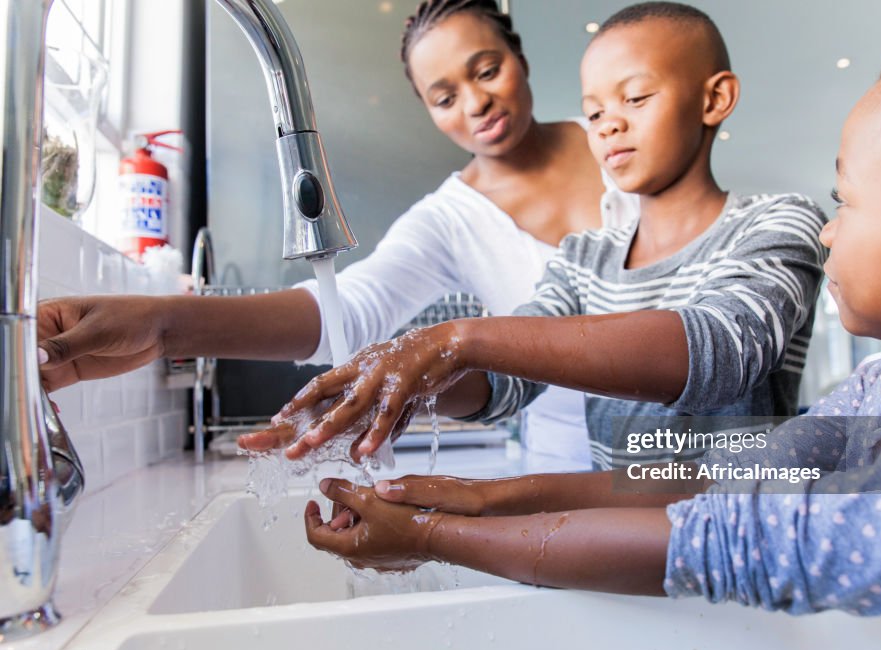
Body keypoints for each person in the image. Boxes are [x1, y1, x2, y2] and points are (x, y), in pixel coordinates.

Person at [281, 3, 881, 625]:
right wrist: (482, 496)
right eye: (596, 109)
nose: (832, 229)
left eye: (848, 201)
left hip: (707, 595)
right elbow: (715, 474)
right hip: (657, 577)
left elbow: (732, 525)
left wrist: (435, 531)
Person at [34, 0, 640, 472]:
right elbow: (344, 311)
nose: (476, 102)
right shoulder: (451, 219)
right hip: (567, 465)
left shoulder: (624, 145)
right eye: (445, 96)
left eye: (488, 70)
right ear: (426, 108)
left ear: (520, 59)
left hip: (704, 445)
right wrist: (163, 324)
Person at [240, 2, 827, 471]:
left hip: (747, 548)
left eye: (636, 98)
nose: (610, 124)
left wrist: (457, 339)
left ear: (715, 97)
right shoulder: (583, 259)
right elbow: (503, 380)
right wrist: (396, 384)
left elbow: (719, 349)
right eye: (593, 113)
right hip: (615, 527)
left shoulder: (779, 222)